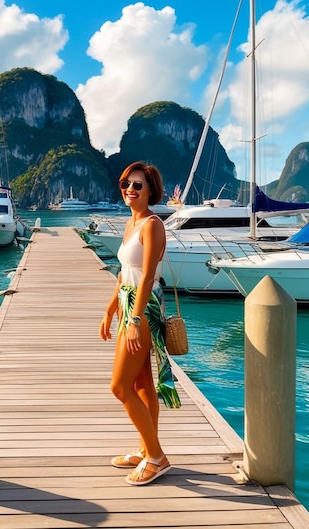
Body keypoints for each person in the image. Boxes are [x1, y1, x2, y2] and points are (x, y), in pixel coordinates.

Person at [100, 161, 181, 486]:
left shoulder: (151, 225)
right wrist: (109, 310)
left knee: (119, 386)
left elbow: (147, 276)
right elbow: (124, 274)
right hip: (126, 305)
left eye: (137, 186)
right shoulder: (131, 223)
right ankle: (145, 448)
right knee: (141, 385)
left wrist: (133, 318)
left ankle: (157, 457)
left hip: (143, 310)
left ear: (151, 191)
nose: (130, 190)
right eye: (126, 185)